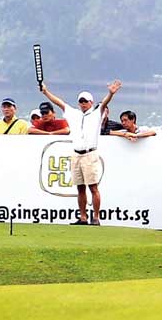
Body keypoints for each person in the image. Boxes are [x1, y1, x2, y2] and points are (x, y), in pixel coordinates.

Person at [40, 80, 122, 226]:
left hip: (90, 154)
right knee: (80, 188)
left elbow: (103, 104)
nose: (83, 104)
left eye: (85, 101)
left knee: (93, 187)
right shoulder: (73, 114)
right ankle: (83, 217)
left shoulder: (96, 114)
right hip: (76, 154)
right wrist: (46, 92)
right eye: (81, 101)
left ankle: (96, 217)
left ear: (91, 102)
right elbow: (59, 103)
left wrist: (110, 93)